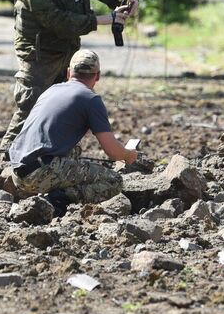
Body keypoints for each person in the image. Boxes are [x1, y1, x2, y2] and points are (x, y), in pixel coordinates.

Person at [1, 0, 139, 149]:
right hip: (39, 53)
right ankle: (3, 163)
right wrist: (103, 20)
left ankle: (53, 159)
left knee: (63, 109)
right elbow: (54, 19)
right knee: (31, 109)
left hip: (67, 49)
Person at [8, 48, 138, 205]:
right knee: (114, 181)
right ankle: (58, 200)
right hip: (39, 173)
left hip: (17, 171)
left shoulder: (52, 90)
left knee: (75, 150)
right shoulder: (91, 99)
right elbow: (112, 152)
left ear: (69, 72)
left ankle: (47, 189)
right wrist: (128, 155)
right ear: (97, 76)